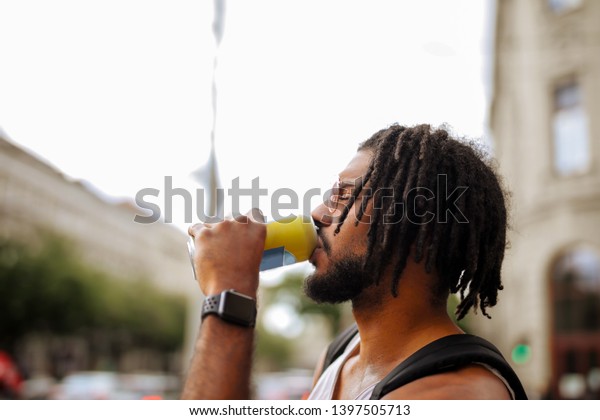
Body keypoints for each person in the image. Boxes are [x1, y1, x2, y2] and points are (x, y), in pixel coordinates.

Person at [182, 123, 525, 400]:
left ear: (420, 228)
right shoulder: (341, 355)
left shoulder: (458, 394)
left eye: (343, 195)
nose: (317, 212)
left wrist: (230, 293)